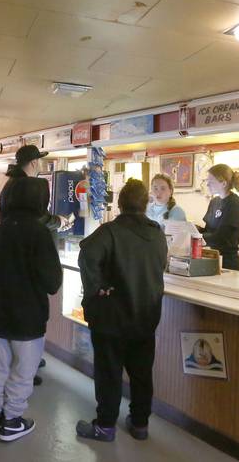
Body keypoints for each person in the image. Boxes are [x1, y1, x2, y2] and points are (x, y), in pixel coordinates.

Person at [76, 179, 168, 443]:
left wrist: (98, 287)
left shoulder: (110, 232)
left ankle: (105, 425)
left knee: (109, 373)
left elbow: (87, 255)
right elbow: (161, 264)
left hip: (112, 317)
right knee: (141, 373)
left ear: (119, 204)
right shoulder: (157, 233)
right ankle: (140, 424)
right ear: (146, 204)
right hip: (146, 314)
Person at [0, 178, 62, 442]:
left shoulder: (0, 229)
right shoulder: (39, 232)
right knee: (22, 371)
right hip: (29, 314)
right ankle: (12, 420)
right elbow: (52, 282)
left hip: (1, 311)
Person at [0, 144, 66, 385]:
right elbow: (38, 219)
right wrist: (59, 221)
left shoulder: (10, 185)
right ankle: (26, 368)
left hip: (10, 265)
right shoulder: (27, 188)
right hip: (27, 263)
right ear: (34, 163)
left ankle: (25, 365)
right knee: (27, 321)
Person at [0, 144, 67, 230]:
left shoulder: (10, 183)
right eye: (40, 161)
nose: (40, 167)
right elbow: (36, 218)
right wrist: (58, 222)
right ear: (34, 163)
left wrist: (57, 223)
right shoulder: (28, 185)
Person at [198, 164, 239, 270]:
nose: (208, 184)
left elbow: (222, 237)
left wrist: (199, 237)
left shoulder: (234, 203)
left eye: (211, 181)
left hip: (227, 261)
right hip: (211, 257)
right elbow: (208, 230)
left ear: (223, 183)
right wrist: (194, 229)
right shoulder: (214, 202)